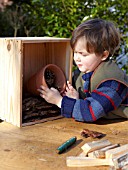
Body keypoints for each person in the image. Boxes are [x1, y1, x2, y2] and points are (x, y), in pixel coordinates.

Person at [38, 18, 128, 122]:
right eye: (75, 52)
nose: (76, 58)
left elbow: (91, 112)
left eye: (83, 54)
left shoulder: (112, 81)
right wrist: (77, 100)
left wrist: (59, 101)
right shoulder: (84, 72)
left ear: (103, 55)